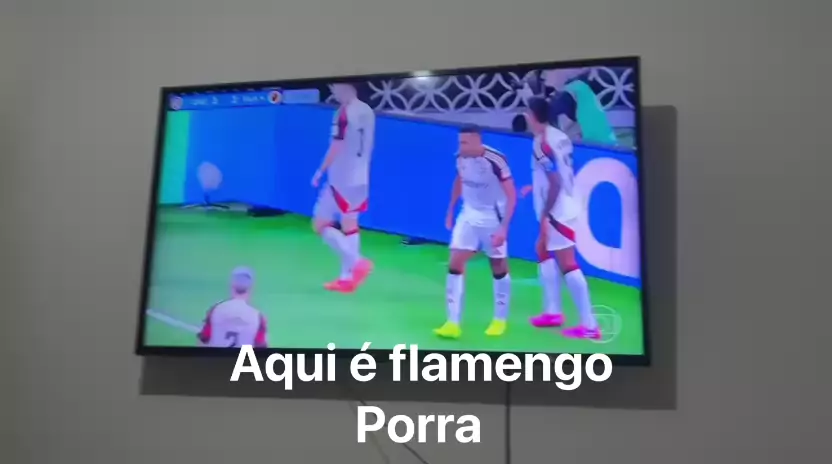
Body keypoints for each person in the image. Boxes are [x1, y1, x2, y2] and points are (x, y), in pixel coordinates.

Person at [521, 97, 600, 340]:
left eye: (527, 112)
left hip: (557, 211)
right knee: (542, 250)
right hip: (564, 203)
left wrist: (546, 215)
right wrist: (535, 187)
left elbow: (554, 181)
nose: (525, 117)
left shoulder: (542, 143)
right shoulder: (558, 136)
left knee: (568, 263)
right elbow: (558, 172)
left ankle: (590, 325)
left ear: (534, 116)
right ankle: (553, 312)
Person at [434, 125, 517, 339]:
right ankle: (452, 322)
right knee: (455, 262)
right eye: (459, 142)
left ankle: (499, 319)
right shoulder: (460, 157)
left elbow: (511, 195)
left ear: (477, 141)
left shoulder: (496, 160)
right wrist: (451, 210)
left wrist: (504, 228)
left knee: (498, 266)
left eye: (465, 142)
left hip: (492, 216)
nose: (461, 146)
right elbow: (459, 180)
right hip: (468, 214)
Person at [310, 83, 375, 293]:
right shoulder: (367, 110)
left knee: (320, 224)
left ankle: (357, 262)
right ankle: (346, 279)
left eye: (335, 88)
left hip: (341, 177)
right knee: (350, 224)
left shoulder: (344, 112)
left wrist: (320, 171)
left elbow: (336, 146)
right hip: (361, 176)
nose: (333, 92)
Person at [197, 267, 268, 348]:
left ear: (232, 285)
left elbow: (203, 340)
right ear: (251, 288)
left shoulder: (215, 310)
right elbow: (262, 347)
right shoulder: (258, 317)